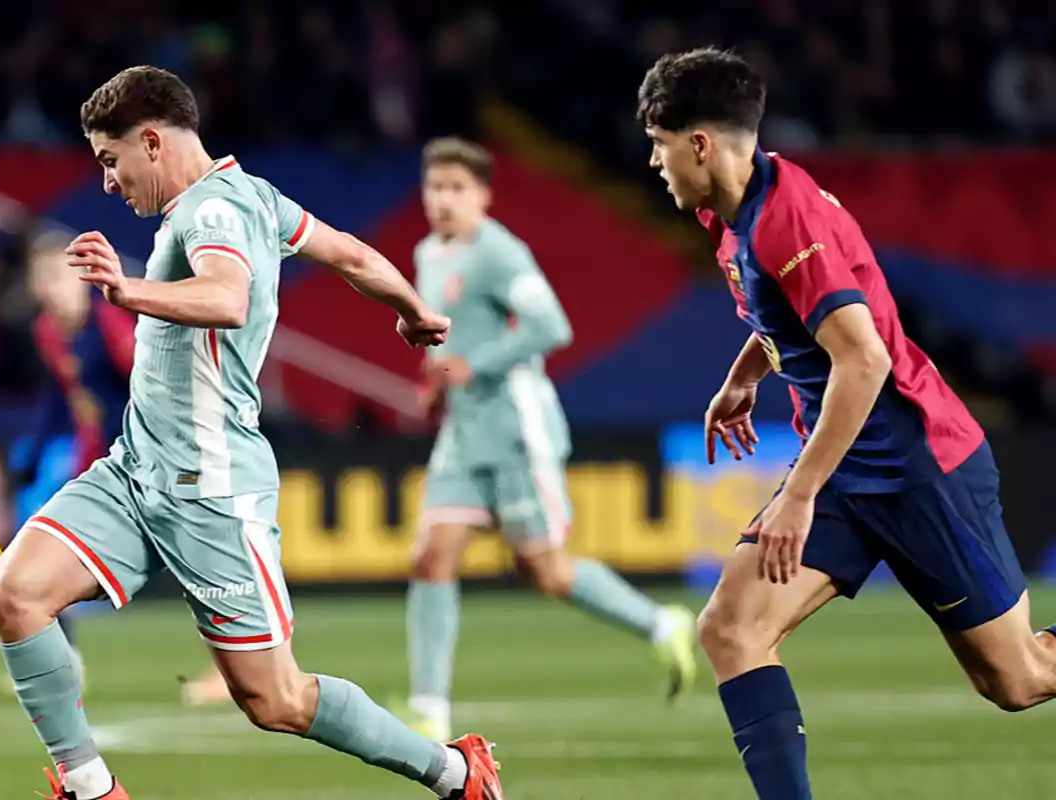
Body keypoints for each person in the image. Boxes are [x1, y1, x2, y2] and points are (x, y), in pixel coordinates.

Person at [0, 65, 502, 800]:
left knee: (277, 701)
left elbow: (228, 298)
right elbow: (349, 253)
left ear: (152, 142)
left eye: (110, 160)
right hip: (137, 471)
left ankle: (456, 773)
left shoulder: (212, 213)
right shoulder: (254, 196)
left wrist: (128, 291)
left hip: (212, 489)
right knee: (15, 593)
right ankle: (91, 789)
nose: (107, 182)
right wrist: (411, 308)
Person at [635, 47, 1056, 799]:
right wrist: (747, 373)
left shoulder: (785, 218)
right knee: (731, 628)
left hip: (920, 468)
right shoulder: (729, 212)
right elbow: (794, 311)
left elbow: (864, 363)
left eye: (659, 144)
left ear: (699, 144)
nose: (653, 162)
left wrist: (796, 495)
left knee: (1017, 680)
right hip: (850, 472)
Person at [396, 136, 697, 741]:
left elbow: (550, 326)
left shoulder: (501, 253)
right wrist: (438, 381)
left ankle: (662, 623)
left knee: (548, 572)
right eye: (435, 187)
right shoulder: (429, 253)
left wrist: (473, 366)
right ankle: (429, 706)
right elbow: (452, 344)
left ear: (483, 195)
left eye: (458, 188)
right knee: (432, 556)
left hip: (516, 431)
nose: (444, 200)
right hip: (464, 433)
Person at [11, 231, 138, 689]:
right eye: (42, 276)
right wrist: (37, 450)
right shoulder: (47, 331)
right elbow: (58, 395)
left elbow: (147, 386)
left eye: (60, 275)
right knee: (41, 551)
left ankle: (237, 662)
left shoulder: (111, 324)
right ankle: (63, 660)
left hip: (142, 463)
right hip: (93, 464)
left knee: (197, 567)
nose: (52, 286)